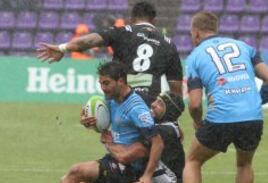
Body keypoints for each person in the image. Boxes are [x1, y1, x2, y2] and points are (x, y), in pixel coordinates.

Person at [16, 61, 164, 183]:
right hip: (114, 159)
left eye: (106, 83)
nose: (103, 88)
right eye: (100, 83)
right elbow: (101, 121)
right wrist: (89, 121)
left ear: (121, 81)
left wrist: (147, 175)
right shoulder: (112, 100)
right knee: (73, 180)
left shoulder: (136, 108)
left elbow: (157, 142)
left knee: (76, 172)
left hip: (129, 167)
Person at [177, 12, 268, 183]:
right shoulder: (244, 47)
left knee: (193, 160)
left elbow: (194, 103)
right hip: (252, 118)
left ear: (196, 33)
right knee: (244, 164)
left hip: (220, 118)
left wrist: (197, 122)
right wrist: (254, 103)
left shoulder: (195, 56)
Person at [68, 91, 185, 183]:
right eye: (156, 100)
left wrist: (108, 140)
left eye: (160, 104)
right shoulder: (160, 123)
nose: (153, 104)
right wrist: (94, 120)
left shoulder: (164, 131)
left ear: (169, 112)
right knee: (84, 179)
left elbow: (125, 154)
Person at [36, 1, 183, 105]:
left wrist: (63, 48)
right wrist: (171, 121)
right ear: (154, 20)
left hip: (122, 100)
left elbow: (89, 41)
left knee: (121, 144)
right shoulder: (169, 44)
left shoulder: (122, 31)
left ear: (131, 19)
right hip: (150, 104)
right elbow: (176, 93)